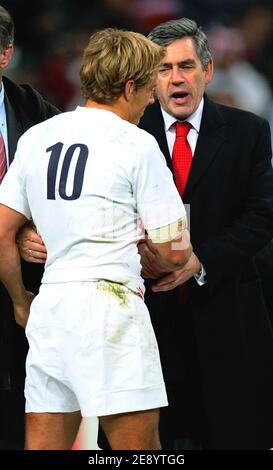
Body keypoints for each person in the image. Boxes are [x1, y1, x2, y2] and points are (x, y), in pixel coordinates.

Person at [0, 28, 192, 450]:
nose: (151, 100)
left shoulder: (38, 137)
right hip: (112, 308)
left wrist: (20, 301)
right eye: (147, 88)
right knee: (140, 450)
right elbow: (175, 251)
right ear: (128, 87)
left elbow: (2, 232)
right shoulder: (137, 144)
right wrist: (158, 253)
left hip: (50, 308)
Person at [137, 18, 273, 449]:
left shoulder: (248, 130)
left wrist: (201, 261)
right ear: (150, 78)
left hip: (227, 315)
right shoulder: (128, 135)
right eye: (163, 68)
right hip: (149, 322)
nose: (176, 78)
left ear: (208, 71)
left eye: (187, 66)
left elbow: (263, 214)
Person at [0, 5, 60, 450]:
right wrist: (9, 229)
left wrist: (34, 227)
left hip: (26, 294)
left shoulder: (35, 110)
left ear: (5, 55)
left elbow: (67, 185)